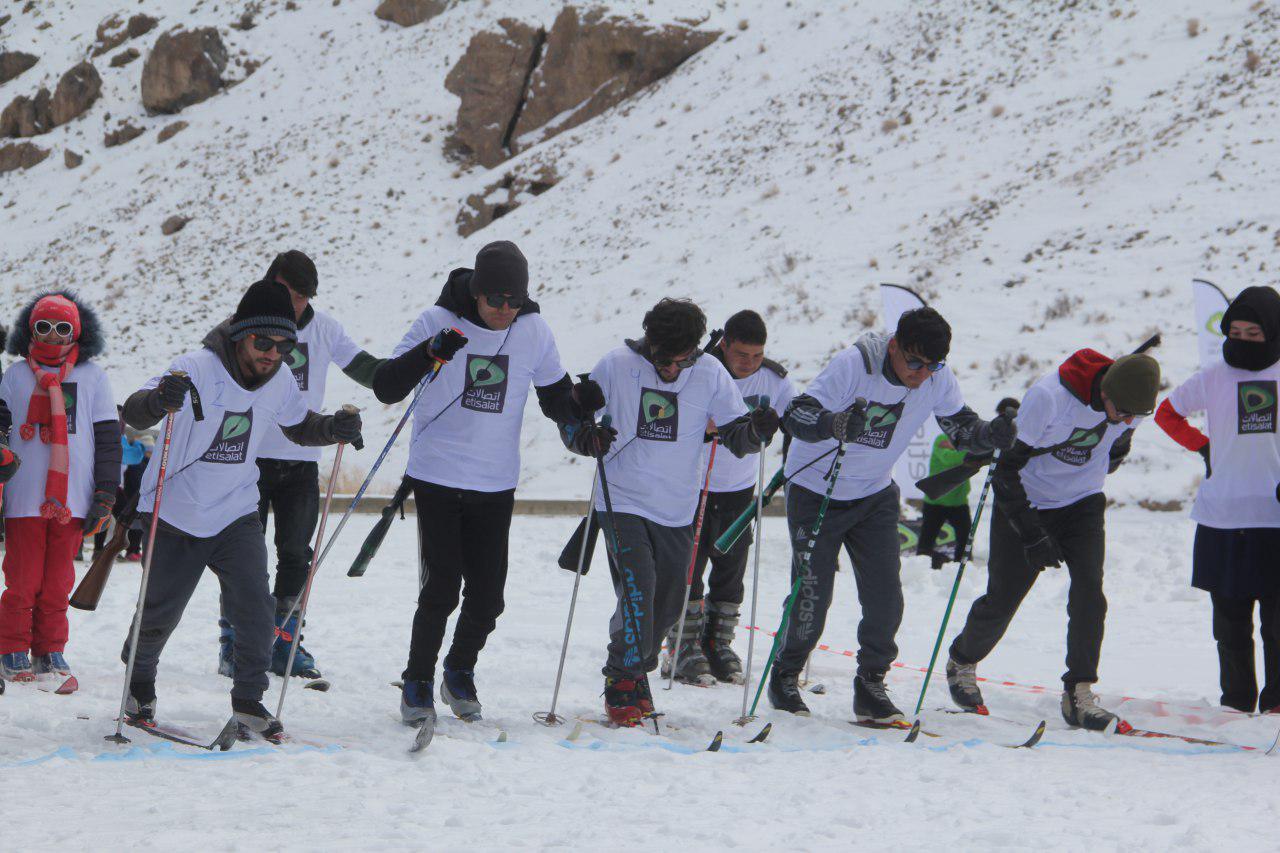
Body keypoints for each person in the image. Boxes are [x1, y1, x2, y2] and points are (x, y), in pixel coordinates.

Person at [120, 279, 362, 740]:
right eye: (263, 341)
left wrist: (334, 427)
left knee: (254, 608)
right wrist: (158, 400)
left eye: (284, 344)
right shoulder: (194, 368)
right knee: (158, 614)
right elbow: (135, 411)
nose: (273, 352)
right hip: (176, 513)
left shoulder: (281, 379)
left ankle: (249, 699)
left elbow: (300, 426)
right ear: (239, 334)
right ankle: (139, 682)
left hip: (235, 511)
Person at [374, 240, 597, 728]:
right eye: (495, 300)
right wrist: (431, 353)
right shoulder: (437, 321)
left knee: (489, 595)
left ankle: (459, 670)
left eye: (513, 301)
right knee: (442, 588)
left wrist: (582, 404)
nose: (503, 310)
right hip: (436, 474)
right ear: (475, 292)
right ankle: (416, 681)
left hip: (495, 481)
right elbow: (386, 386)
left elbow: (555, 397)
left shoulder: (533, 331)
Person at [771, 307, 1016, 723]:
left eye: (932, 365)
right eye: (914, 362)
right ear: (894, 346)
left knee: (886, 599)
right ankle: (786, 673)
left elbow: (959, 426)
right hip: (817, 491)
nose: (921, 373)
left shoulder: (938, 377)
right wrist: (834, 423)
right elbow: (796, 414)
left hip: (874, 494)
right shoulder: (855, 365)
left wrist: (987, 435)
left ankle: (870, 683)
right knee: (814, 593)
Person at [563, 297, 777, 726]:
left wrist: (756, 431)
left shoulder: (710, 372)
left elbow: (736, 434)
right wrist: (585, 433)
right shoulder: (617, 363)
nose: (673, 370)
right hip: (621, 499)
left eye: (683, 360)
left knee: (670, 602)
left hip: (677, 505)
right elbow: (572, 424)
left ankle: (635, 670)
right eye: (665, 359)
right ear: (649, 342)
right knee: (639, 591)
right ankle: (621, 682)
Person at [946, 345, 1159, 730]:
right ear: (1106, 392)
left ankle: (1078, 691)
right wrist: (1031, 534)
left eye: (1135, 415)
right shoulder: (1049, 399)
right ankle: (962, 659)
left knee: (1090, 594)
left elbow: (1115, 450)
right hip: (1028, 500)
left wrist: (1116, 446)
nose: (1128, 419)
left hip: (1082, 503)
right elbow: (1006, 472)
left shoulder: (1132, 407)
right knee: (1004, 597)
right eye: (1123, 412)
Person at [219, 250, 384, 683]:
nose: (297, 304)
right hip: (249, 456)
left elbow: (366, 369)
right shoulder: (247, 324)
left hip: (301, 459)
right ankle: (234, 641)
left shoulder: (326, 328)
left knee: (296, 554)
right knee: (242, 559)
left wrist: (417, 366)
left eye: (304, 296)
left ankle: (286, 641)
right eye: (290, 293)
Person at [1155, 286, 1280, 715]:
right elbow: (1166, 413)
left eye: (1254, 333)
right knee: (1229, 622)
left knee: (1278, 623)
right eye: (1236, 332)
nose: (1242, 340)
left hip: (1275, 516)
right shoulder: (1213, 375)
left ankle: (1278, 703)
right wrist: (1202, 444)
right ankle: (1236, 703)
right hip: (1223, 515)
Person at [664, 309, 795, 686]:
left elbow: (791, 419)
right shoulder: (700, 370)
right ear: (725, 345)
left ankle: (719, 643)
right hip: (695, 484)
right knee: (691, 564)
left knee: (732, 566)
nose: (748, 364)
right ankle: (682, 645)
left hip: (740, 486)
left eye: (756, 356)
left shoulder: (774, 379)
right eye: (741, 355)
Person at [0, 293, 119, 689]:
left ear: (78, 332)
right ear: (29, 330)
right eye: (43, 327)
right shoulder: (15, 375)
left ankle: (50, 648)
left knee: (57, 582)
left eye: (63, 328)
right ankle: (12, 647)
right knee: (22, 578)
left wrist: (106, 491)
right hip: (22, 496)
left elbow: (107, 439)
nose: (53, 335)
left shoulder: (93, 376)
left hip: (71, 498)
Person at [915, 434, 972, 569]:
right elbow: (948, 459)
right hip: (935, 501)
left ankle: (963, 569)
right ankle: (920, 570)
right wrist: (970, 452)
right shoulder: (942, 438)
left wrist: (964, 450)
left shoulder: (969, 440)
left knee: (966, 539)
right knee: (927, 540)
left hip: (959, 502)